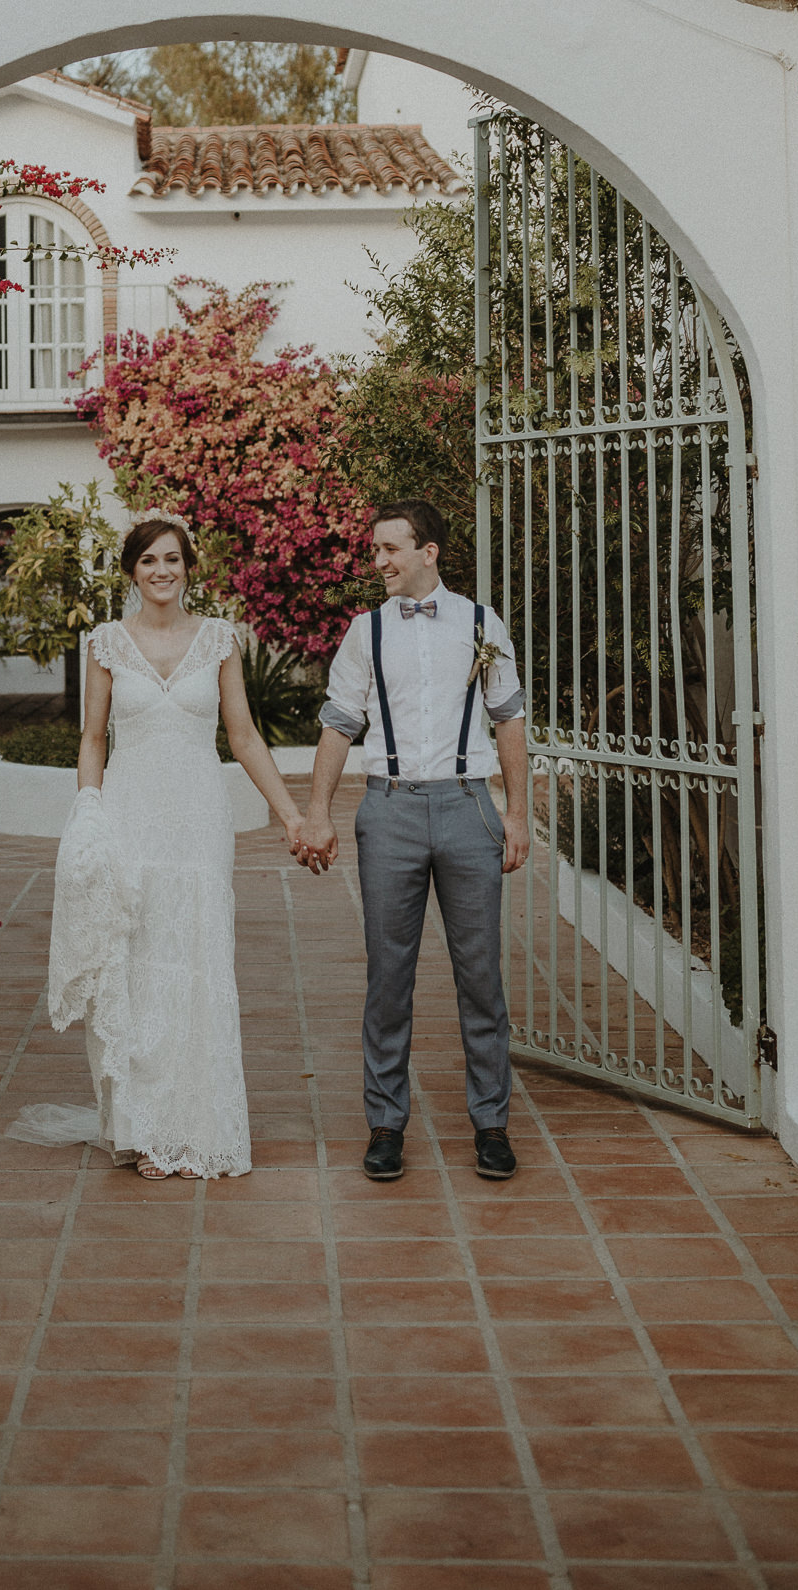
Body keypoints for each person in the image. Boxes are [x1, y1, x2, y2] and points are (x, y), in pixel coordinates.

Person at [9, 510, 305, 1179]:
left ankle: (199, 1128)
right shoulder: (106, 643)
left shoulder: (220, 641)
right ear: (132, 572)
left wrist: (289, 815)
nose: (162, 571)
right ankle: (144, 1129)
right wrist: (88, 809)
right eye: (149, 561)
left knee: (198, 961)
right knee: (136, 967)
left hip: (200, 822)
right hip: (131, 818)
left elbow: (246, 737)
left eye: (172, 559)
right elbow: (91, 739)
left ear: (188, 567)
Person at [295, 500, 529, 1184]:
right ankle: (386, 1124)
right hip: (389, 812)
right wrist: (319, 811)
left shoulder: (483, 624)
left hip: (466, 809)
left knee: (480, 975)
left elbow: (509, 721)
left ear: (429, 552)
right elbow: (339, 724)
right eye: (376, 550)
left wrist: (516, 814)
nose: (379, 562)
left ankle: (491, 1124)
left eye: (391, 550)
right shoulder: (363, 633)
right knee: (388, 977)